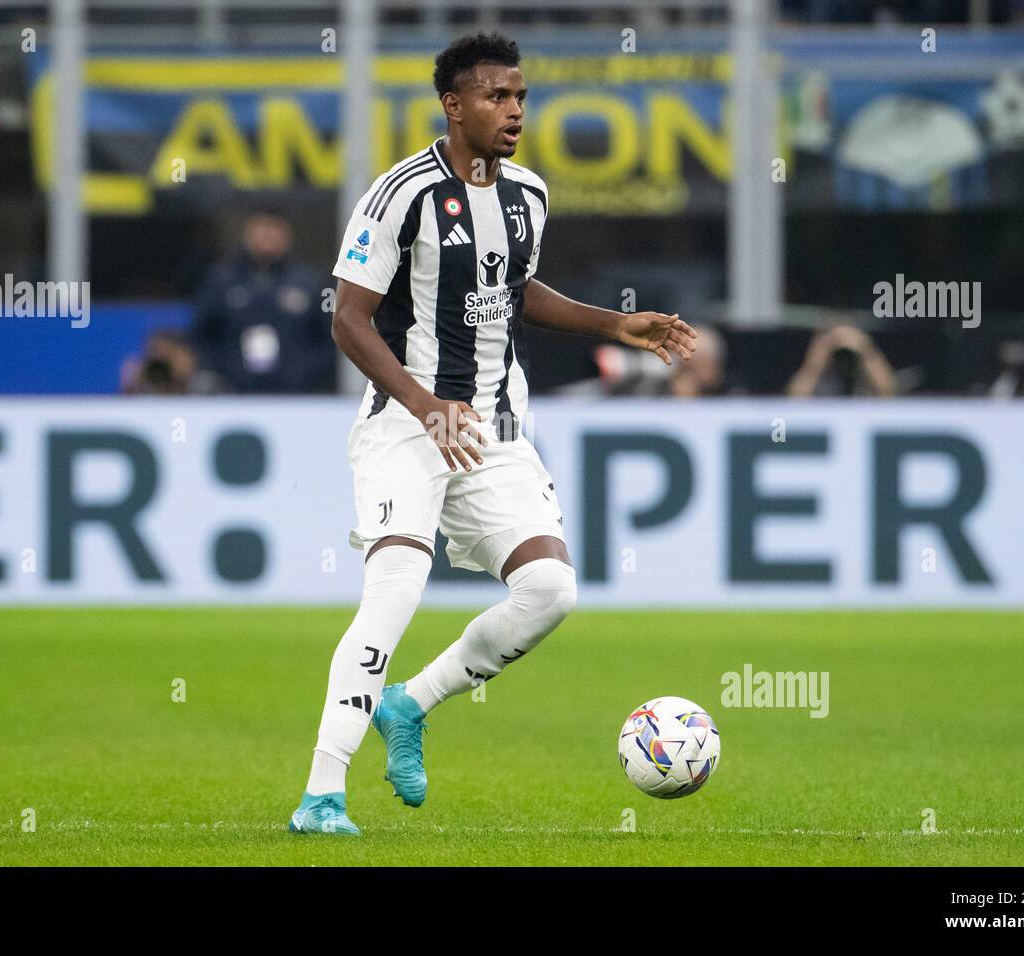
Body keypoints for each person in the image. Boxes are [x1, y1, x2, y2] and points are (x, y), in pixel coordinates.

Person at [290, 32, 697, 835]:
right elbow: (348, 317)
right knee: (396, 590)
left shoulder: (529, 195)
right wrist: (422, 404)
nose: (514, 112)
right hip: (406, 425)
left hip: (496, 428)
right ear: (454, 105)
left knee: (551, 591)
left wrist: (618, 325)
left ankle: (410, 702)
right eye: (496, 97)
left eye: (519, 97)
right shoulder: (398, 194)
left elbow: (514, 289)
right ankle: (321, 794)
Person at [187, 209, 335, 393]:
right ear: (247, 234)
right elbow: (200, 335)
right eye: (262, 229)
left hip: (296, 397)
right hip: (232, 394)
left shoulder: (310, 282)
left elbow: (329, 339)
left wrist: (303, 374)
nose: (268, 236)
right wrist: (223, 371)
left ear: (287, 236)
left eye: (274, 229)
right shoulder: (221, 280)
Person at [786, 323, 897, 397]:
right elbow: (796, 398)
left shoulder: (864, 368)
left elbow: (888, 392)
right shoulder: (819, 370)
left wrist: (864, 348)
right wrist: (823, 349)